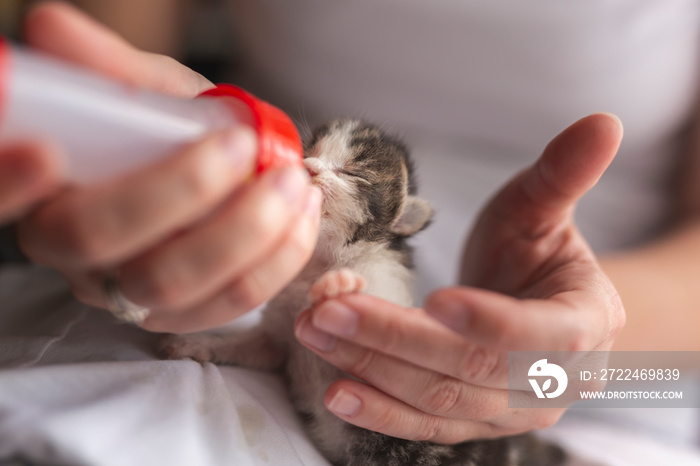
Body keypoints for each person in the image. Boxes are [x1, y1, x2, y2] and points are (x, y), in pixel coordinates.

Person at [0, 1, 698, 464]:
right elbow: (119, 64)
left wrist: (563, 352)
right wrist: (130, 159)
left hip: (643, 360)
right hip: (244, 257)